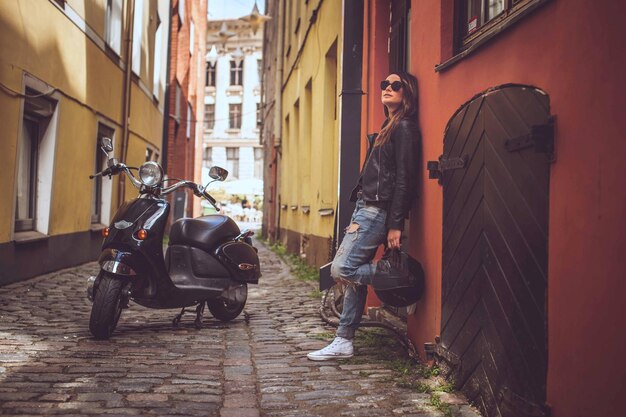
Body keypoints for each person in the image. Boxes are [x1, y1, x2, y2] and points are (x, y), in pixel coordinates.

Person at [307, 71, 421, 361]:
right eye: (385, 84)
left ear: (407, 93)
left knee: (341, 270)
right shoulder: (388, 125)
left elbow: (405, 179)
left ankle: (404, 280)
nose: (388, 89)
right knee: (352, 274)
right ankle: (344, 340)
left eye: (396, 86)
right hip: (365, 207)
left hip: (377, 210)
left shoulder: (405, 127)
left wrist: (396, 223)